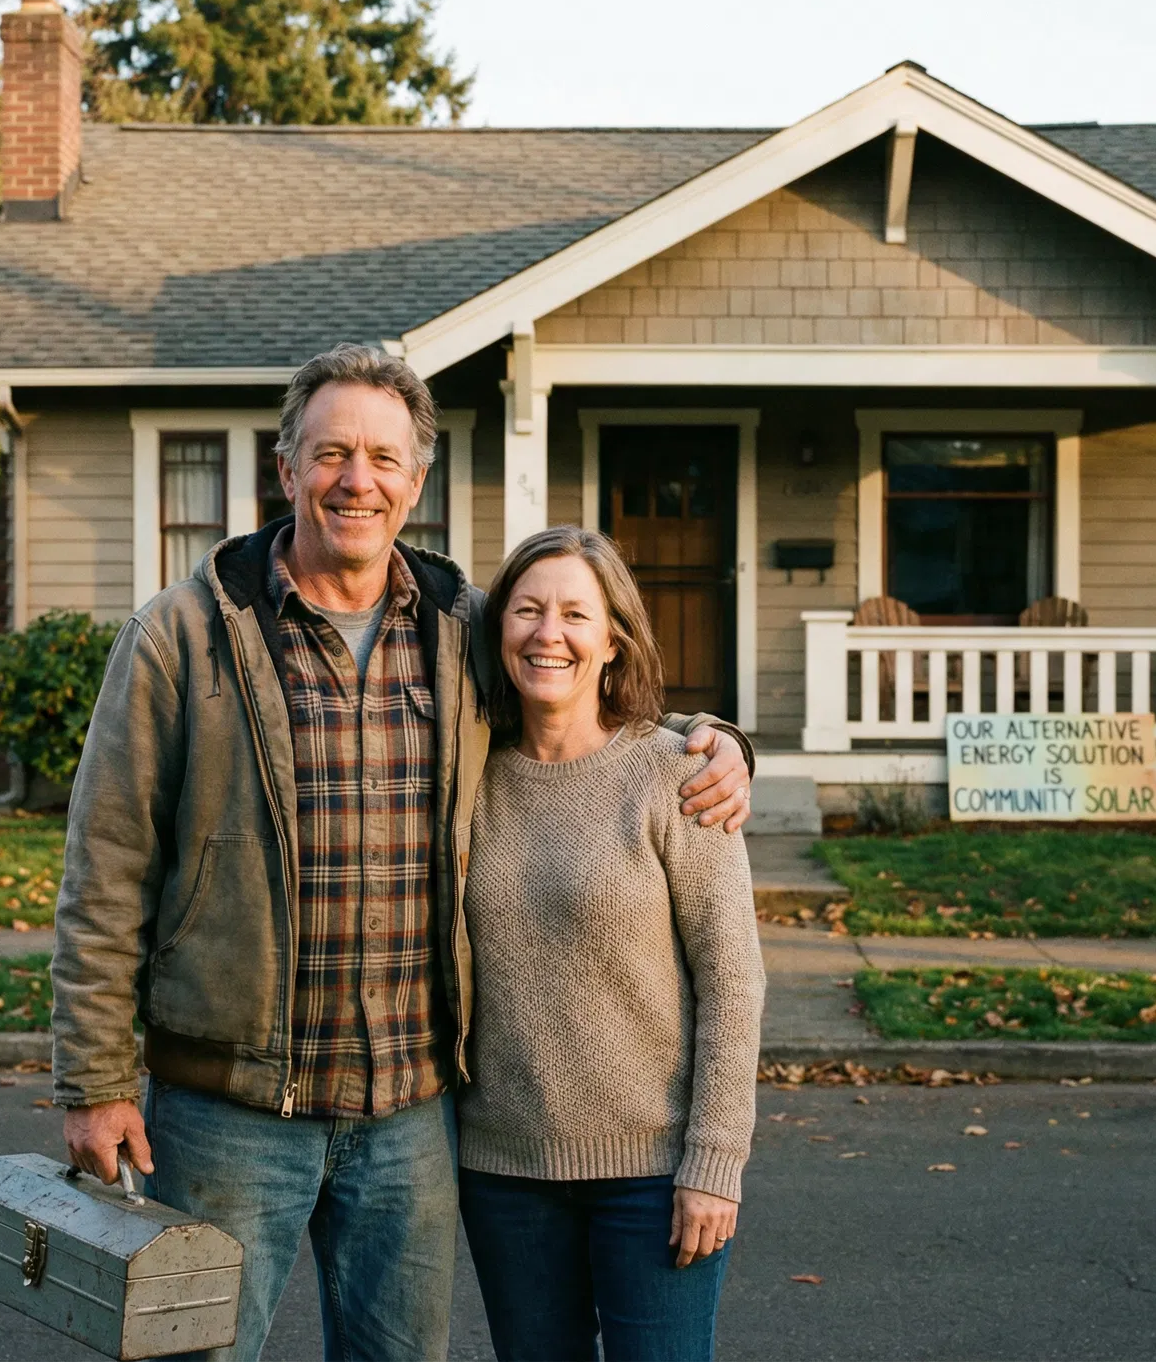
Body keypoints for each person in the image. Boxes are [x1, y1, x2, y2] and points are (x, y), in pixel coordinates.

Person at [50, 343, 755, 1362]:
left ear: (415, 482)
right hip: (230, 1108)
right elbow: (105, 868)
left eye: (384, 458)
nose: (358, 479)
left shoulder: (460, 627)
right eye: (332, 453)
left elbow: (579, 685)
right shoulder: (181, 634)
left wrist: (720, 741)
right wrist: (94, 1080)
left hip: (411, 1116)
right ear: (286, 468)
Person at [458, 526, 766, 1362]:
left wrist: (712, 1165)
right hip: (504, 1172)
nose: (546, 633)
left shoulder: (677, 774)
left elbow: (733, 983)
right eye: (525, 610)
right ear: (498, 632)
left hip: (654, 1173)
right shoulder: (467, 778)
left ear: (610, 641)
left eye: (573, 614)